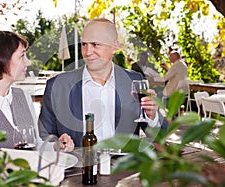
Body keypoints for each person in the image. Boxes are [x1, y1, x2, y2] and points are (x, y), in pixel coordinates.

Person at [38, 18, 167, 147]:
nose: (88, 52)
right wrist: (58, 145)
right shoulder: (57, 86)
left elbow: (161, 136)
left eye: (95, 44)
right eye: (84, 44)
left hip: (122, 166)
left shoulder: (133, 81)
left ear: (114, 47)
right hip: (77, 165)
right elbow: (43, 137)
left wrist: (152, 116)